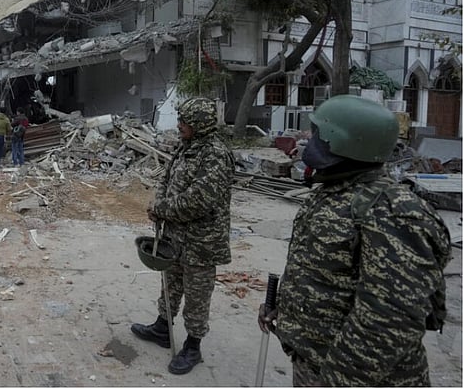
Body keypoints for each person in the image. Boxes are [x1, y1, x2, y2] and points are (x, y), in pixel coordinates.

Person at [258, 95, 450, 387]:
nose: (310, 143)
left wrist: (338, 380)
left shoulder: (393, 212)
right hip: (314, 364)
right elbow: (324, 272)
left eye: (319, 136)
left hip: (356, 377)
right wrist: (285, 308)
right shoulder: (335, 191)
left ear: (347, 143)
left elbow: (388, 320)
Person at [132, 97, 233, 375]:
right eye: (180, 120)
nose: (179, 125)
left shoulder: (215, 154)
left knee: (197, 294)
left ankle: (193, 346)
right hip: (175, 235)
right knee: (171, 284)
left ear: (200, 124)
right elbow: (166, 179)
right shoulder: (186, 147)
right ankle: (162, 328)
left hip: (202, 242)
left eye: (184, 121)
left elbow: (199, 201)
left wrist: (163, 209)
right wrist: (159, 204)